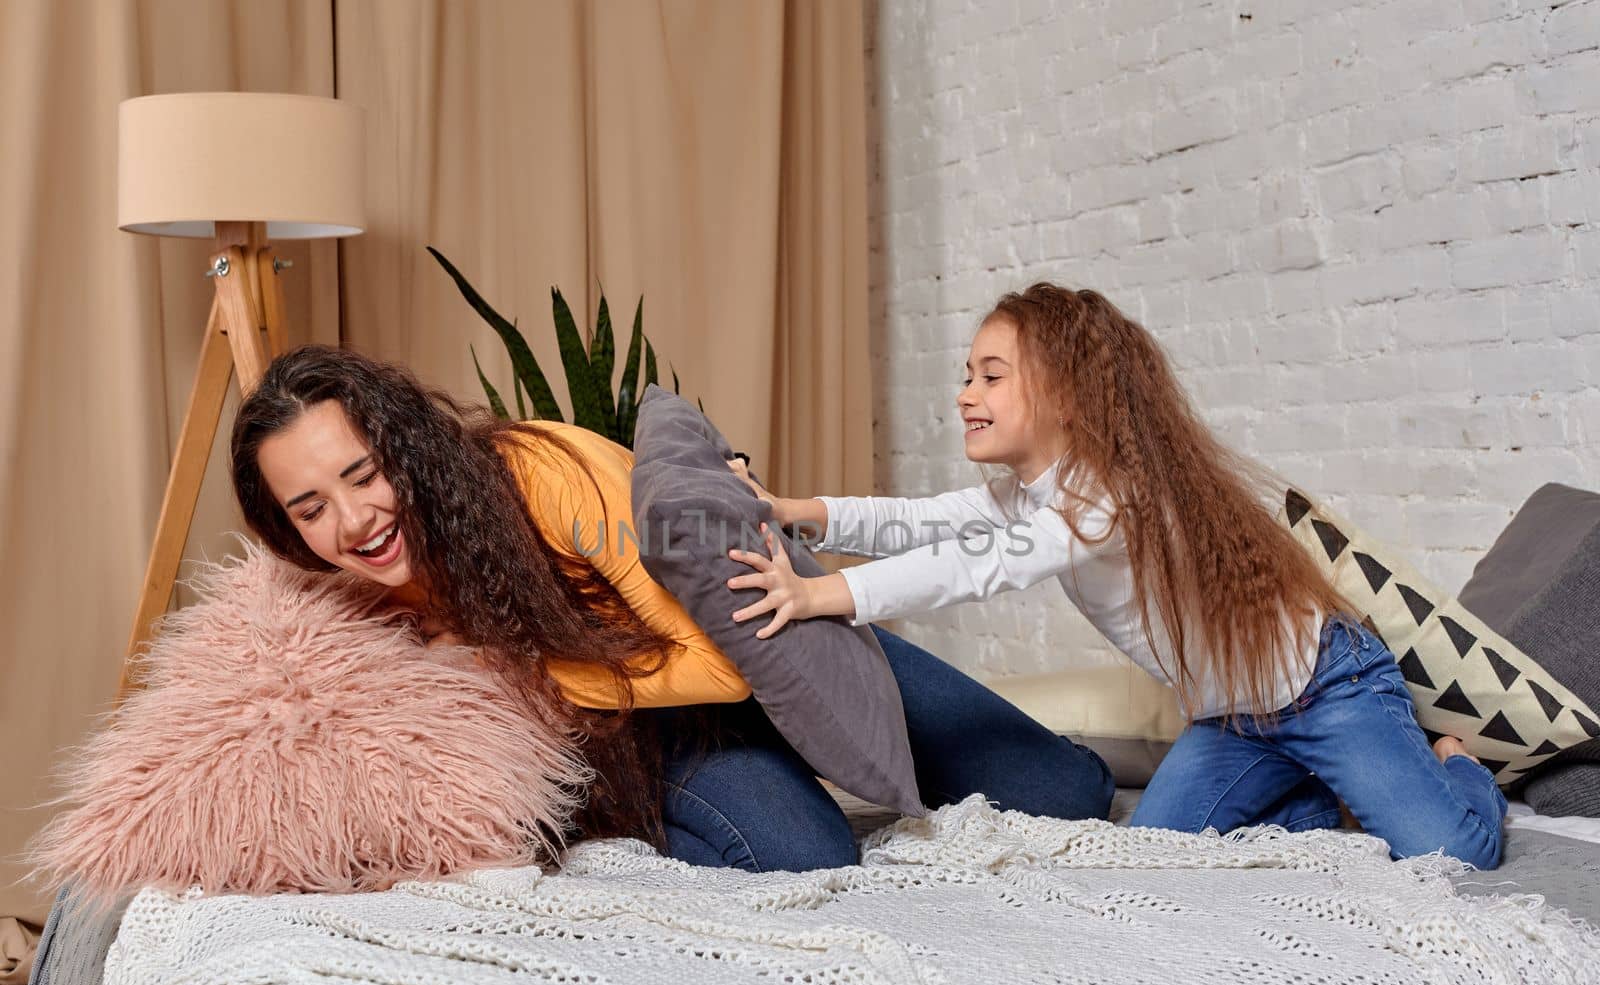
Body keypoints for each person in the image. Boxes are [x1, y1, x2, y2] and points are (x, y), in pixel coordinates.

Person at [230, 344, 1114, 873]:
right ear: (284, 525)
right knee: (807, 857)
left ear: (406, 447)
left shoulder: (542, 474)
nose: (352, 520)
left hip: (759, 646)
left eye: (362, 474)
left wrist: (536, 673)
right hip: (661, 735)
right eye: (309, 509)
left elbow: (724, 664)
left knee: (1070, 792)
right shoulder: (354, 605)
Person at [728, 283, 1506, 869]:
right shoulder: (1029, 492)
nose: (965, 393)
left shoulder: (1111, 496)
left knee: (1454, 854)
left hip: (1326, 688)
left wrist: (817, 595)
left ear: (1065, 392)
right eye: (967, 375)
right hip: (1234, 721)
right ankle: (1310, 792)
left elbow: (977, 566)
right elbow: (922, 521)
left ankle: (1455, 761)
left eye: (991, 377)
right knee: (1150, 858)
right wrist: (795, 509)